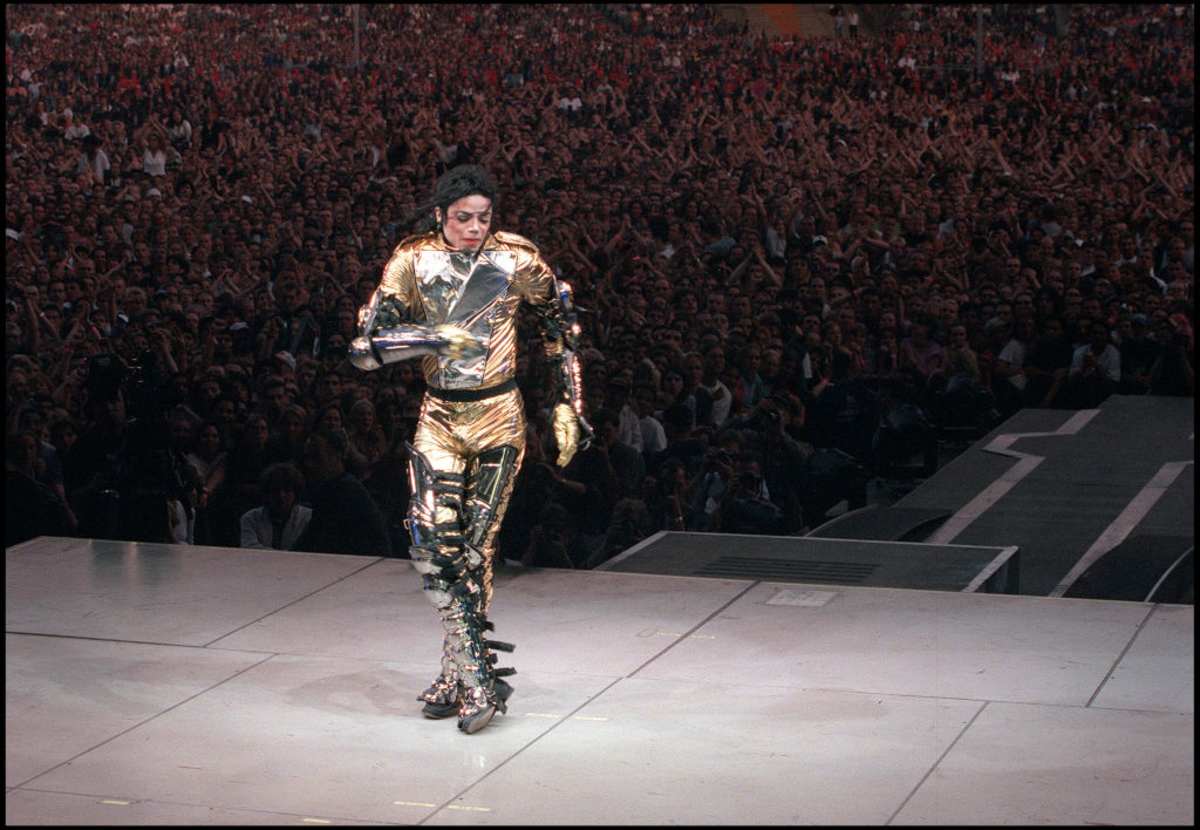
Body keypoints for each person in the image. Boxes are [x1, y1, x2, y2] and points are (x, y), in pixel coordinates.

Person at [349, 164, 591, 734]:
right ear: (440, 215)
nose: (474, 228)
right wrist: (431, 338)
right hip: (438, 414)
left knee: (476, 550)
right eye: (463, 218)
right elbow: (364, 347)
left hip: (499, 415)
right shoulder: (411, 260)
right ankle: (476, 675)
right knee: (431, 542)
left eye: (483, 218)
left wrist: (568, 404)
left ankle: (461, 671)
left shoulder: (516, 259)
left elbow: (562, 326)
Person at [239, 462, 312, 550]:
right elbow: (249, 548)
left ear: (295, 493)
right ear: (267, 493)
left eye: (287, 490)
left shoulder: (309, 518)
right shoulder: (250, 518)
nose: (281, 496)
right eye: (275, 490)